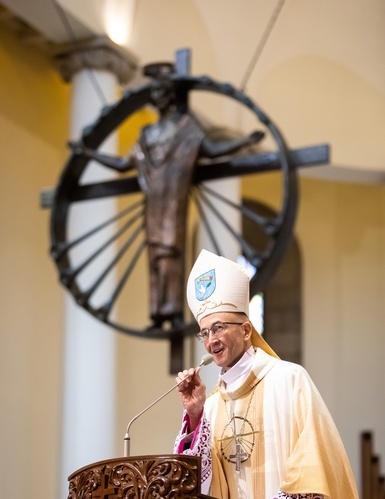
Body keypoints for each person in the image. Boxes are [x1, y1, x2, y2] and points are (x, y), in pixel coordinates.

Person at [174, 248, 376, 499]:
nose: (211, 341)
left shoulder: (289, 380)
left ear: (247, 328)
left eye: (219, 327)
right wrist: (194, 417)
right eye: (204, 332)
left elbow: (315, 475)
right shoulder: (209, 406)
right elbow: (192, 490)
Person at [71, 63, 263, 329]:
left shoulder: (187, 129)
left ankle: (171, 311)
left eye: (162, 91)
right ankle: (158, 313)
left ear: (172, 96)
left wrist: (244, 142)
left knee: (169, 255)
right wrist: (88, 153)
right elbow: (122, 164)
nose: (157, 96)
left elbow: (212, 149)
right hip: (153, 205)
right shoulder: (147, 134)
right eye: (155, 91)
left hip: (173, 204)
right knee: (156, 259)